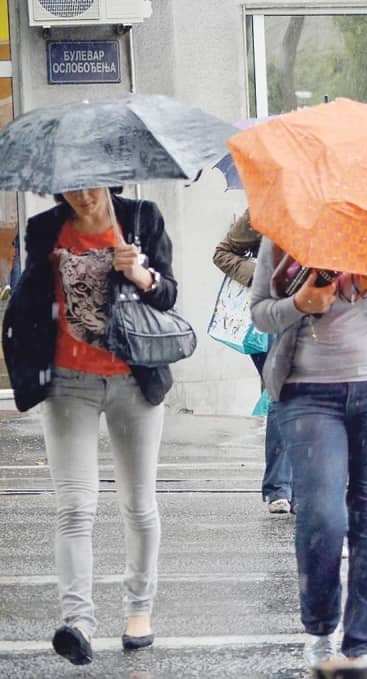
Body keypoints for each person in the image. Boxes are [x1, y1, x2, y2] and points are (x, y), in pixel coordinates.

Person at [1, 187, 176, 664]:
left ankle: (139, 611)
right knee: (74, 507)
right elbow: (27, 303)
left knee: (138, 504)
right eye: (72, 186)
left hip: (133, 380)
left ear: (110, 181)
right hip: (68, 384)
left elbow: (169, 296)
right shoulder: (43, 229)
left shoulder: (141, 217)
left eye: (91, 183)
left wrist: (138, 271)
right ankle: (77, 621)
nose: (82, 195)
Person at [251, 237, 367, 676]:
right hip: (308, 394)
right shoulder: (284, 234)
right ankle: (321, 629)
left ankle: (364, 644)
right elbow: (260, 314)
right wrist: (301, 303)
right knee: (321, 515)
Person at [213, 210, 292, 514]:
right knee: (281, 396)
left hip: (321, 312)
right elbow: (223, 253)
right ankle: (280, 488)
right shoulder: (266, 207)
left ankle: (306, 485)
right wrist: (262, 275)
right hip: (270, 316)